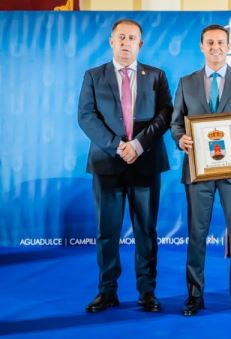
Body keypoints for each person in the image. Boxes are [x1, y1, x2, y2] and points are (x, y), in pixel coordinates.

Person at [78, 18, 173, 313]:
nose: (125, 42)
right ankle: (107, 291)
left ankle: (147, 291)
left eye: (131, 38)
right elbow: (86, 116)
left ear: (140, 44)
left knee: (146, 230)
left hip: (145, 164)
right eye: (120, 37)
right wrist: (117, 145)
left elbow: (165, 114)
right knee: (107, 231)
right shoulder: (93, 76)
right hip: (107, 163)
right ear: (111, 41)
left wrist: (139, 144)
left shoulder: (156, 76)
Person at [171, 24, 231, 316]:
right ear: (201, 46)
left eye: (221, 42)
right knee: (197, 235)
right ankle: (195, 296)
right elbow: (176, 123)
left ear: (228, 45)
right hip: (198, 171)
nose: (216, 48)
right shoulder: (186, 82)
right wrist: (180, 138)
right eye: (210, 43)